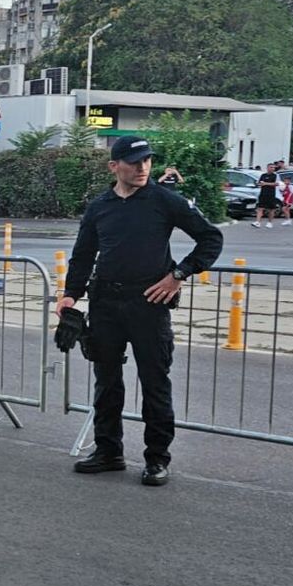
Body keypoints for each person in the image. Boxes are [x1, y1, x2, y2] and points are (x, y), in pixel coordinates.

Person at [58, 135, 223, 487]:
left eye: (147, 160)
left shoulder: (164, 200)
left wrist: (178, 275)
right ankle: (108, 451)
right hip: (105, 304)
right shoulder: (100, 206)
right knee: (106, 382)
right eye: (134, 162)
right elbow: (83, 254)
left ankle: (156, 459)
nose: (142, 167)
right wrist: (70, 295)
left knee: (154, 384)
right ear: (114, 166)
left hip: (149, 304)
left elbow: (211, 238)